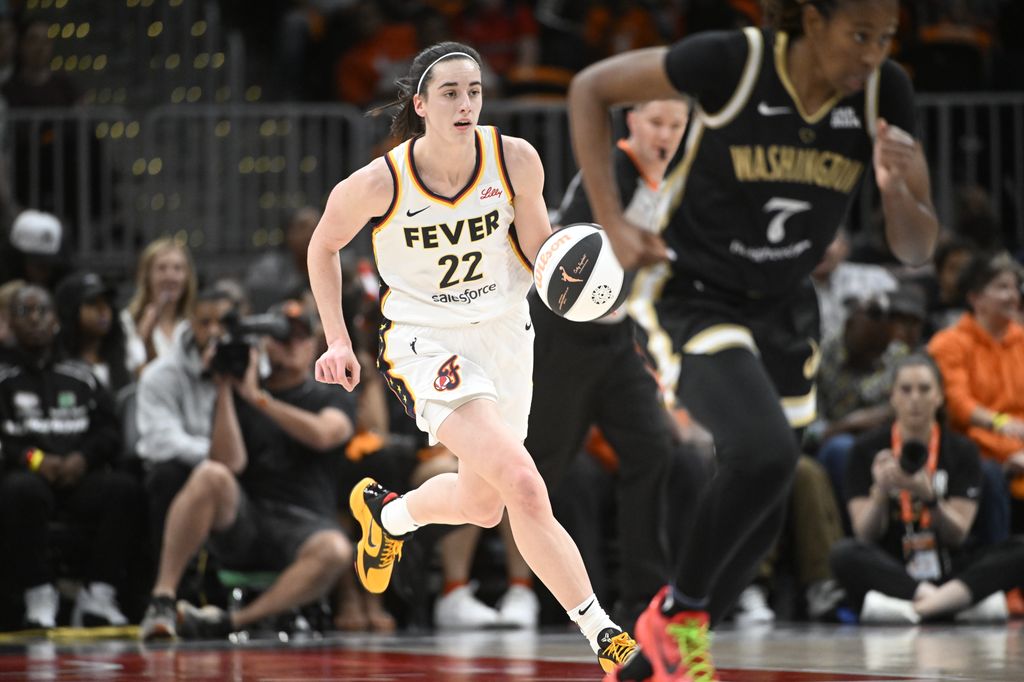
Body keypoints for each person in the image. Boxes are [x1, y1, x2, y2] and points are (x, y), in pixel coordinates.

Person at [567, 0, 939, 679]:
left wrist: (893, 191)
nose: (872, 55)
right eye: (859, 35)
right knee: (765, 454)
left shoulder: (889, 93)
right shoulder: (734, 62)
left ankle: (654, 658)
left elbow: (916, 245)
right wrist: (611, 223)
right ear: (811, 20)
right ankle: (675, 613)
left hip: (785, 305)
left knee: (764, 509)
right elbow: (589, 88)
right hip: (692, 293)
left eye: (885, 39)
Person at [307, 41, 638, 672]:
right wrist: (338, 340)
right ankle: (604, 635)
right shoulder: (381, 182)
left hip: (507, 333)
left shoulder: (515, 159)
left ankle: (389, 514)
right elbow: (322, 248)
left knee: (484, 505)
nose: (466, 104)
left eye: (475, 91)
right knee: (522, 484)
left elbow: (541, 253)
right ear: (422, 104)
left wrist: (583, 287)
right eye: (451, 93)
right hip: (424, 341)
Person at [525, 98, 689, 627]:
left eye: (676, 124)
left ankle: (643, 598)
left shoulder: (678, 179)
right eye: (657, 122)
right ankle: (543, 594)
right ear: (633, 123)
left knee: (652, 447)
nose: (665, 133)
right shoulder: (608, 174)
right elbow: (575, 260)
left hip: (617, 340)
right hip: (562, 338)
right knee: (539, 470)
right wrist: (646, 249)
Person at [139, 300, 356, 639]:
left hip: (306, 523)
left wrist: (260, 399)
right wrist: (225, 388)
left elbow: (324, 435)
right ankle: (162, 598)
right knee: (210, 475)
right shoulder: (242, 395)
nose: (292, 345)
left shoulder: (330, 394)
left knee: (336, 550)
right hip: (248, 520)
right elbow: (227, 463)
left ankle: (231, 622)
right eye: (282, 338)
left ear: (315, 345)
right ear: (265, 346)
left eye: (300, 338)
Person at [831, 353, 1024, 623]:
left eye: (924, 389)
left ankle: (917, 609)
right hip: (896, 564)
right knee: (844, 554)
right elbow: (865, 534)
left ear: (940, 397)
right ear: (892, 397)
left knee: (1019, 549)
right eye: (905, 390)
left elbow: (957, 534)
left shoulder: (962, 450)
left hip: (949, 563)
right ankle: (954, 604)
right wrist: (880, 493)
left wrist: (930, 497)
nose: (915, 399)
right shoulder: (865, 450)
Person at [0, 285, 145, 629]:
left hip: (78, 472)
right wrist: (35, 459)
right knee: (21, 491)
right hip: (27, 474)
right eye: (25, 312)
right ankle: (39, 593)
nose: (35, 319)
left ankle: (98, 592)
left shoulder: (81, 375)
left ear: (56, 321)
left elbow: (109, 432)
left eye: (42, 311)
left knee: (124, 490)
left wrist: (82, 457)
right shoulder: (4, 377)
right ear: (9, 322)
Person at [122, 237, 198, 376]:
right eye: (162, 268)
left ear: (187, 277)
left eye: (178, 268)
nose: (170, 276)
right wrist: (143, 338)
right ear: (147, 276)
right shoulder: (129, 320)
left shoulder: (194, 323)